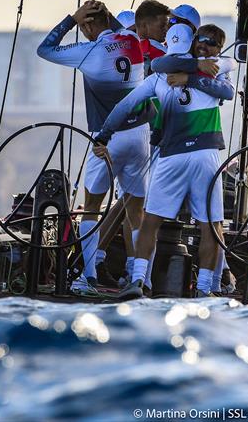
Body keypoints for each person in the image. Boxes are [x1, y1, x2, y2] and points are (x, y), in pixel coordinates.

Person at [93, 23, 234, 299]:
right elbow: (226, 86)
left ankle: (137, 282)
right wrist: (197, 71)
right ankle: (205, 290)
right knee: (211, 225)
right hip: (205, 155)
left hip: (173, 157)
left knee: (151, 223)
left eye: (209, 42)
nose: (204, 45)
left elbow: (124, 106)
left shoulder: (159, 76)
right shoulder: (215, 70)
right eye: (200, 40)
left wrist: (104, 135)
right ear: (193, 43)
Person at [36, 0, 151, 292]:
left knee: (91, 208)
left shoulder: (88, 51)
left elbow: (45, 49)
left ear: (87, 25)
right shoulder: (132, 40)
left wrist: (70, 19)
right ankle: (140, 279)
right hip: (139, 137)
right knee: (136, 211)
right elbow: (116, 29)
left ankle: (89, 278)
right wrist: (107, 16)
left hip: (107, 139)